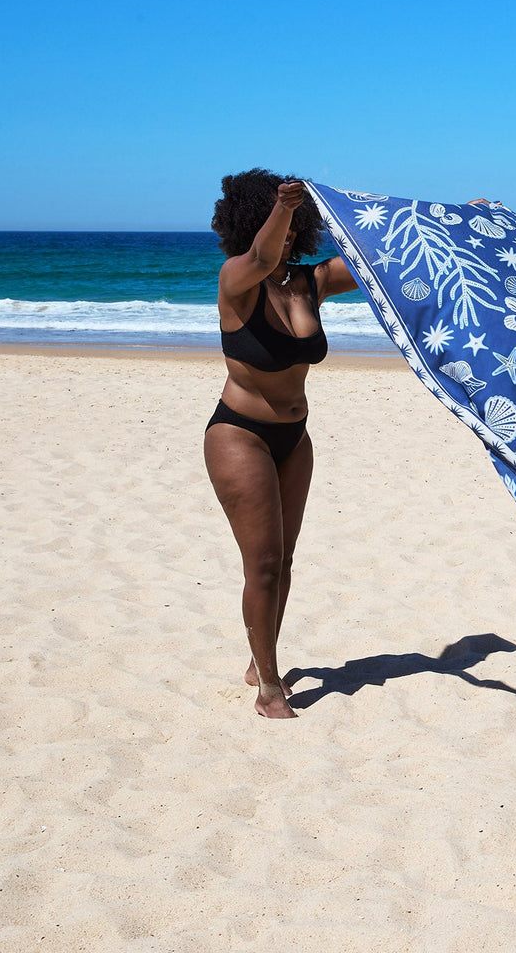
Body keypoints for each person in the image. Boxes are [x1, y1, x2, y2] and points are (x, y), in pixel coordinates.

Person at [205, 169, 358, 719]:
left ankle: (257, 658)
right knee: (263, 564)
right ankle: (269, 685)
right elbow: (265, 259)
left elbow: (388, 260)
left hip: (295, 437)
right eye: (277, 219)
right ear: (249, 221)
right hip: (239, 435)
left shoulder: (310, 282)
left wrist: (457, 218)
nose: (289, 231)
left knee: (285, 560)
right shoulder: (237, 279)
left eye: (297, 221)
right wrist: (283, 207)